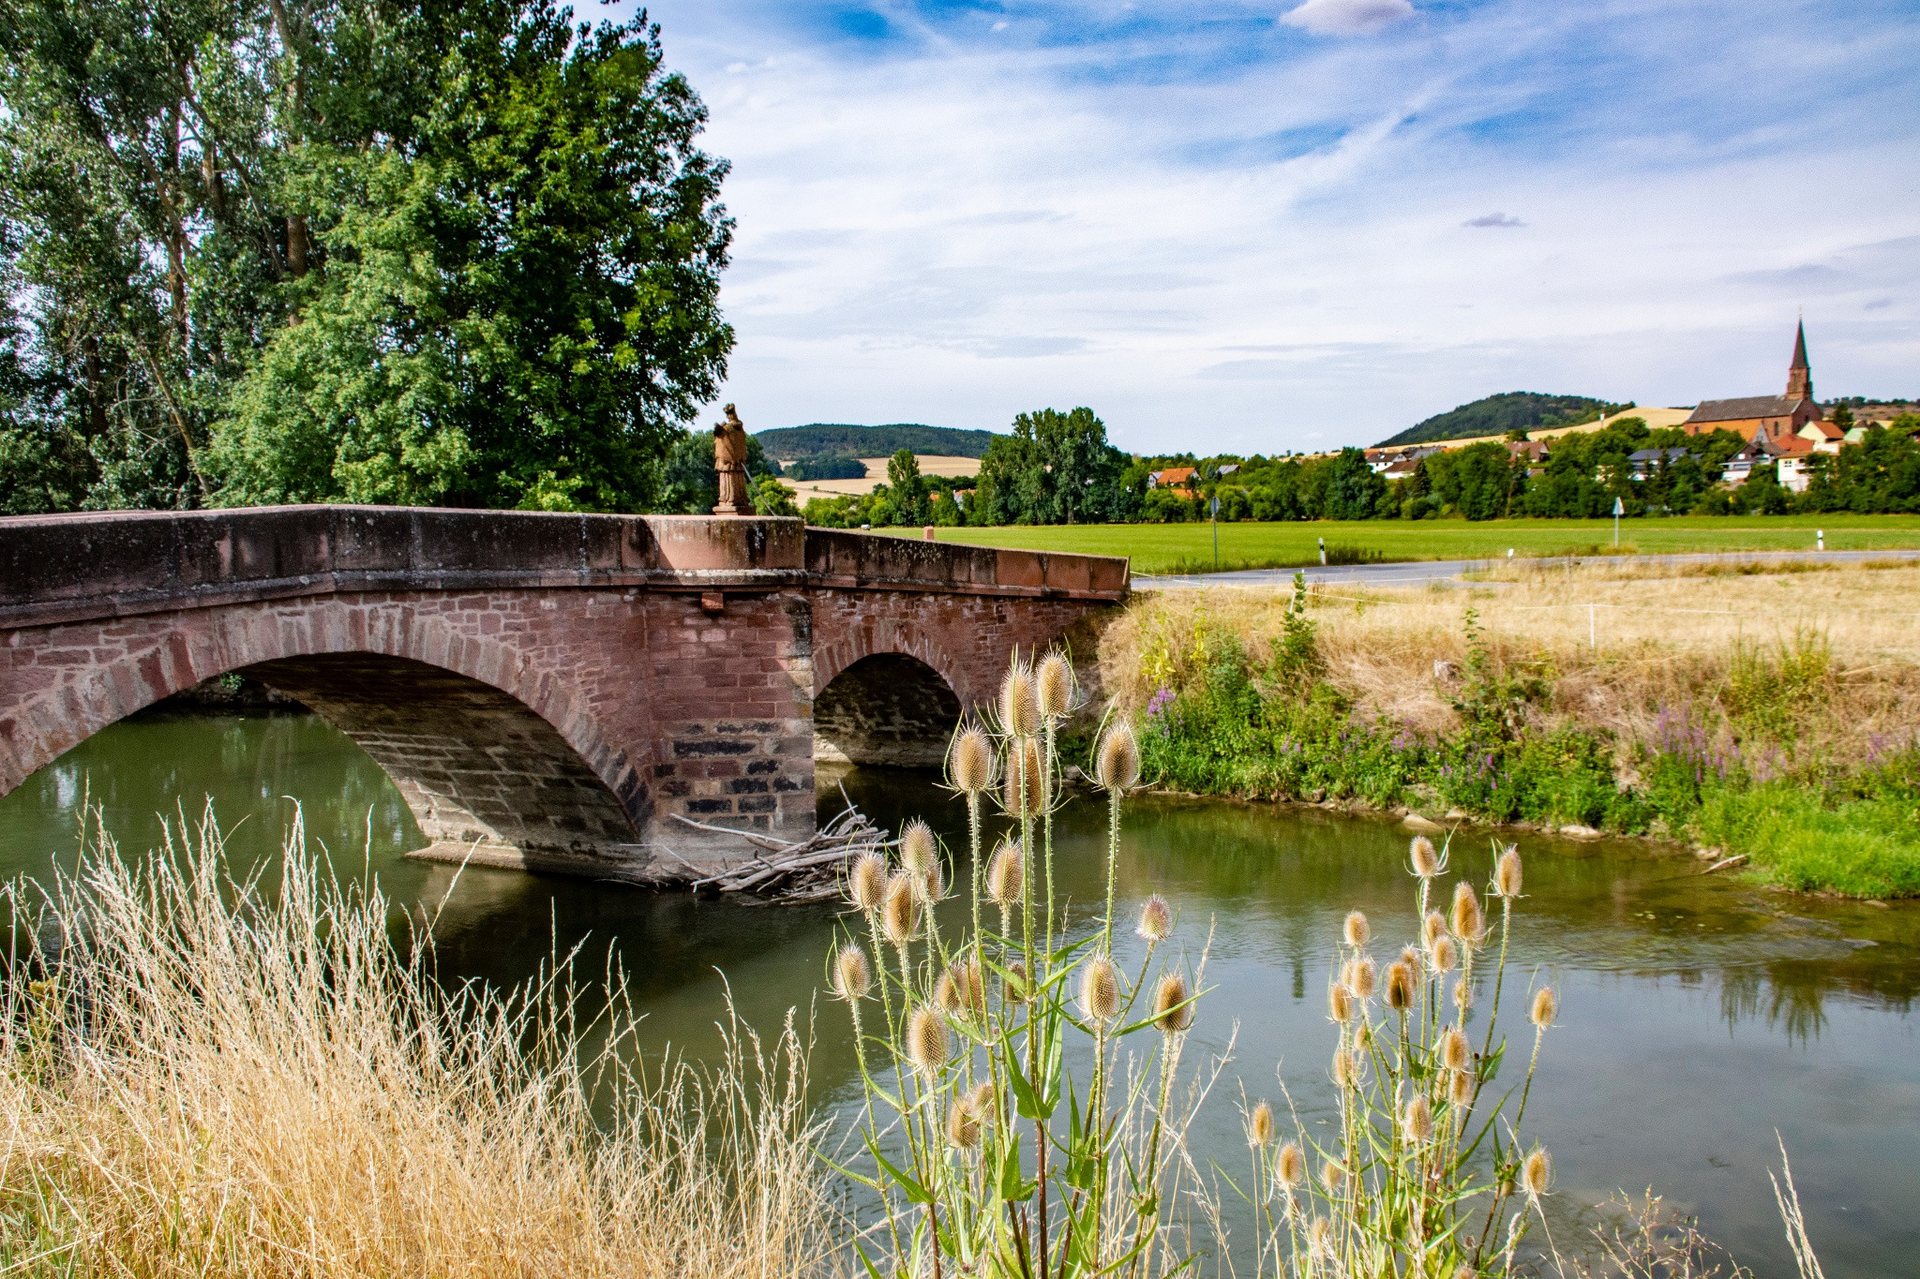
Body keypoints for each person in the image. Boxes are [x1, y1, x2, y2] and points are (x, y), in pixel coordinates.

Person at [712, 404, 753, 515]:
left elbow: (730, 440)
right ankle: (730, 498)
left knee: (730, 477)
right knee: (730, 477)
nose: (728, 416)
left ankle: (730, 499)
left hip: (730, 460)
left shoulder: (730, 428)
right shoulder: (734, 428)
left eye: (729, 414)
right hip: (731, 460)